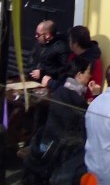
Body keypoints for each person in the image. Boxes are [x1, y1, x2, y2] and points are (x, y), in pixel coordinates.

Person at [23, 56, 92, 185]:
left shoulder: (60, 91)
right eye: (88, 72)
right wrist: (95, 95)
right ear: (79, 75)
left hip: (46, 143)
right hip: (59, 150)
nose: (90, 76)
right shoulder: (77, 100)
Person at [44, 25, 103, 101]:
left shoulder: (94, 62)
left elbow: (92, 88)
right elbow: (65, 75)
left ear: (75, 44)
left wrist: (50, 82)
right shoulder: (73, 55)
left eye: (70, 40)